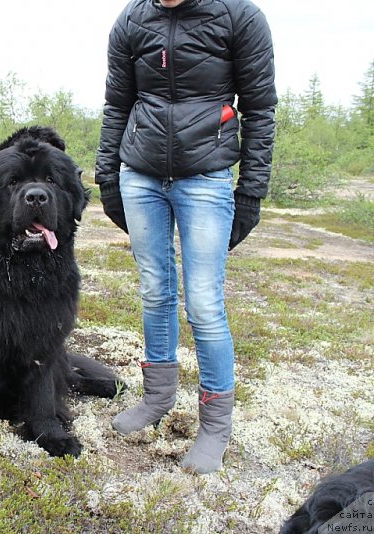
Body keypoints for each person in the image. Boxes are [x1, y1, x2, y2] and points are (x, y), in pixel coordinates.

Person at [95, 0, 276, 474]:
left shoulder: (240, 17)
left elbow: (260, 109)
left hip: (206, 179)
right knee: (155, 290)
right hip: (141, 176)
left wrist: (251, 193)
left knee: (203, 302)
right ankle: (156, 399)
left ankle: (214, 427)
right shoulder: (131, 21)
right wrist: (108, 179)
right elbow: (118, 103)